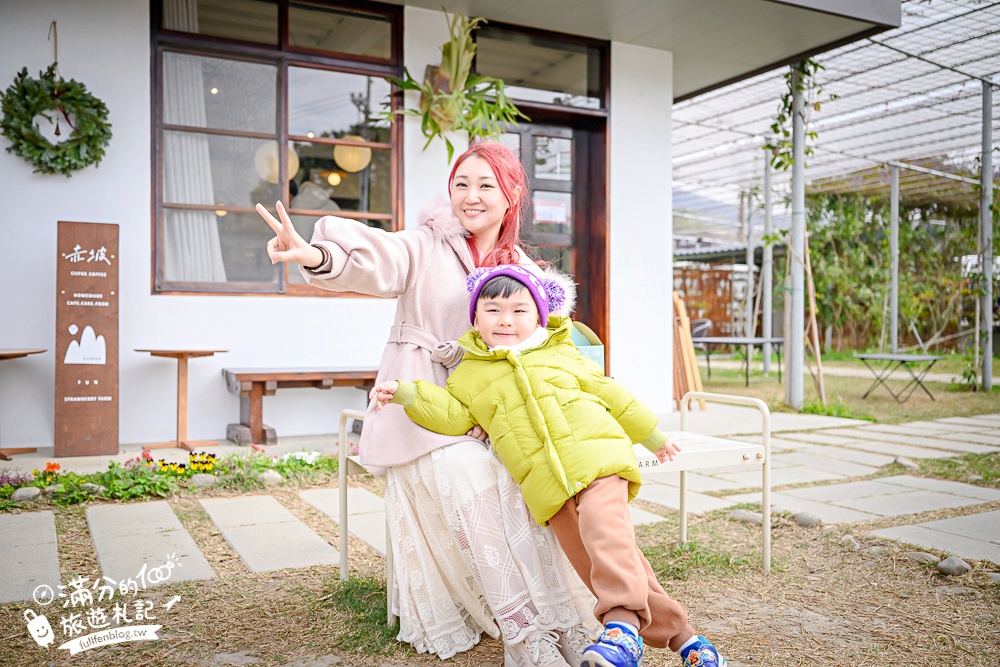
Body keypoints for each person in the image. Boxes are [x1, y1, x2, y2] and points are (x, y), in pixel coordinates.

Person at [256, 141, 599, 667]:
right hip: (419, 412)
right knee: (469, 471)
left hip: (493, 416)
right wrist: (315, 256)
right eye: (462, 184)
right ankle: (524, 632)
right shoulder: (425, 243)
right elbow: (376, 262)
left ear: (511, 197)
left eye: (487, 185)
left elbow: (547, 348)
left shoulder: (524, 267)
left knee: (537, 479)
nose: (472, 196)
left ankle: (562, 620)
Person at [369, 265, 730, 667]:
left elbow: (611, 393)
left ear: (540, 316)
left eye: (519, 310)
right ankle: (687, 641)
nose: (505, 320)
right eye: (493, 310)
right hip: (546, 486)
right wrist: (406, 393)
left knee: (607, 536)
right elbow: (453, 416)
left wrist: (654, 436)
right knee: (600, 560)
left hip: (598, 461)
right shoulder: (468, 374)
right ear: (475, 317)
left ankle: (622, 627)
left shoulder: (561, 352)